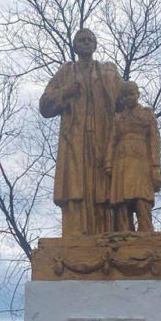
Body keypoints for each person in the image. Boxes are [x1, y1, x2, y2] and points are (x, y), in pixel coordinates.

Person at [39, 28, 123, 235]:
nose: (86, 43)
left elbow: (124, 100)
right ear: (75, 46)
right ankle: (75, 233)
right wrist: (65, 91)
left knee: (102, 185)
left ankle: (105, 233)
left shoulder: (107, 71)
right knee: (76, 186)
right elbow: (45, 106)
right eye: (81, 40)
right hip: (75, 139)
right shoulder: (66, 72)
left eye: (90, 40)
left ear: (95, 45)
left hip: (103, 138)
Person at [105, 81, 161, 233]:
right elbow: (112, 141)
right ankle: (124, 233)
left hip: (141, 161)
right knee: (121, 201)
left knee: (141, 198)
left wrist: (155, 167)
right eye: (125, 95)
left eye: (131, 94)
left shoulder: (146, 114)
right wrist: (109, 163)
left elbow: (154, 141)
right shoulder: (117, 118)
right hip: (121, 162)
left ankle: (146, 231)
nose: (129, 98)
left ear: (138, 94)